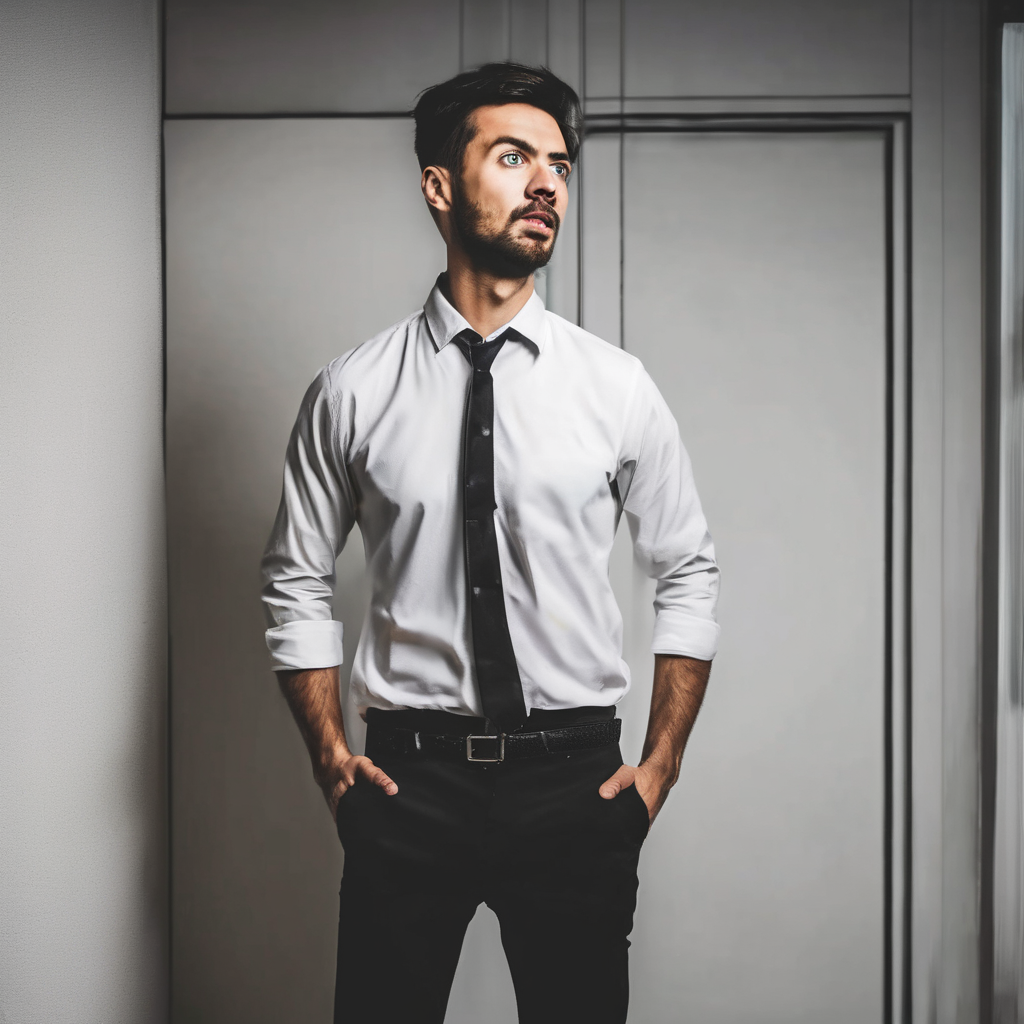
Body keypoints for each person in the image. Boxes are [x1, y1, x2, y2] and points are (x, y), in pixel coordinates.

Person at [260, 61, 719, 1024]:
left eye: (558, 163)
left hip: (575, 785)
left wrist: (659, 768)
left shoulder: (615, 386)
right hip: (407, 783)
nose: (547, 182)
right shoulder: (353, 391)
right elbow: (295, 578)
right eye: (512, 156)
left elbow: (686, 569)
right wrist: (332, 763)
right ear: (439, 186)